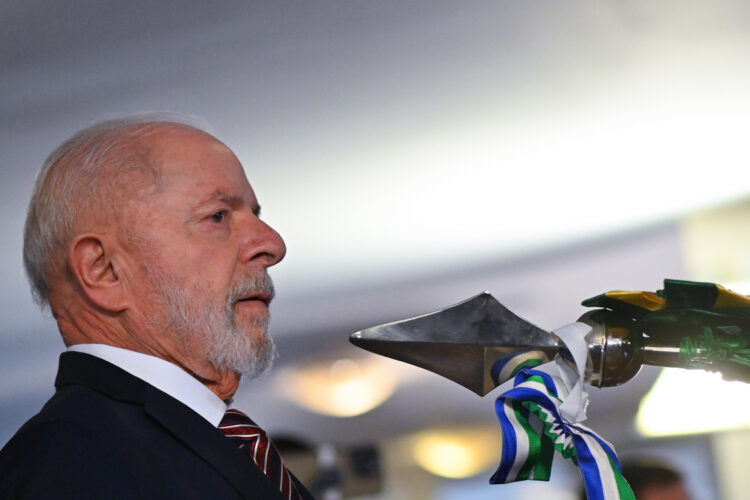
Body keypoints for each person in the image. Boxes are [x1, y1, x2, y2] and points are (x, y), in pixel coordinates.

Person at [0, 115, 314, 499]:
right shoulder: (70, 464)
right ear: (105, 271)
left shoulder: (163, 443)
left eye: (256, 215)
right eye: (217, 216)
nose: (273, 244)